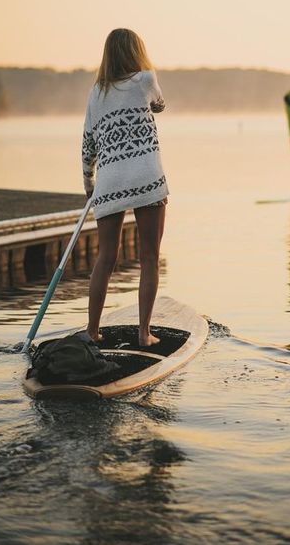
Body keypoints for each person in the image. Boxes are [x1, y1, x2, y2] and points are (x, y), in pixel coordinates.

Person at [81, 28, 168, 347]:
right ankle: (144, 334)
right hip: (147, 177)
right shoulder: (145, 79)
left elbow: (88, 144)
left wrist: (89, 183)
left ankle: (92, 331)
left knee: (105, 257)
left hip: (110, 182)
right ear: (136, 52)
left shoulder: (96, 94)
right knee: (149, 257)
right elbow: (160, 105)